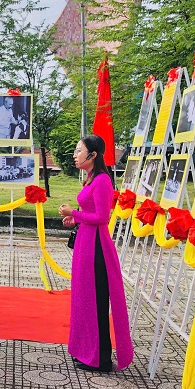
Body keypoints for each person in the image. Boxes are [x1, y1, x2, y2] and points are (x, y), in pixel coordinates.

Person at [59, 135, 133, 373]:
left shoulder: (102, 180)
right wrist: (76, 218)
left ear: (92, 155)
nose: (75, 155)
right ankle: (86, 352)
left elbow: (102, 217)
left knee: (96, 302)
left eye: (79, 151)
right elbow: (91, 213)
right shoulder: (91, 178)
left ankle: (101, 359)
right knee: (84, 300)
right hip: (85, 243)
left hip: (96, 248)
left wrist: (74, 213)